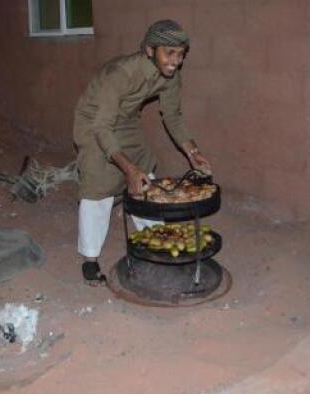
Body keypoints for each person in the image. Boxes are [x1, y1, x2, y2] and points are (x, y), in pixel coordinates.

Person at [73, 19, 211, 285]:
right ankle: (90, 259)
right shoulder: (121, 73)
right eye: (169, 53)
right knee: (98, 185)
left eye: (180, 54)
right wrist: (127, 169)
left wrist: (192, 151)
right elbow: (102, 126)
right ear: (150, 50)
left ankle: (156, 236)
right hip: (94, 122)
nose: (175, 61)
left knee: (144, 171)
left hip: (125, 122)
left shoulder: (170, 75)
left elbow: (172, 115)